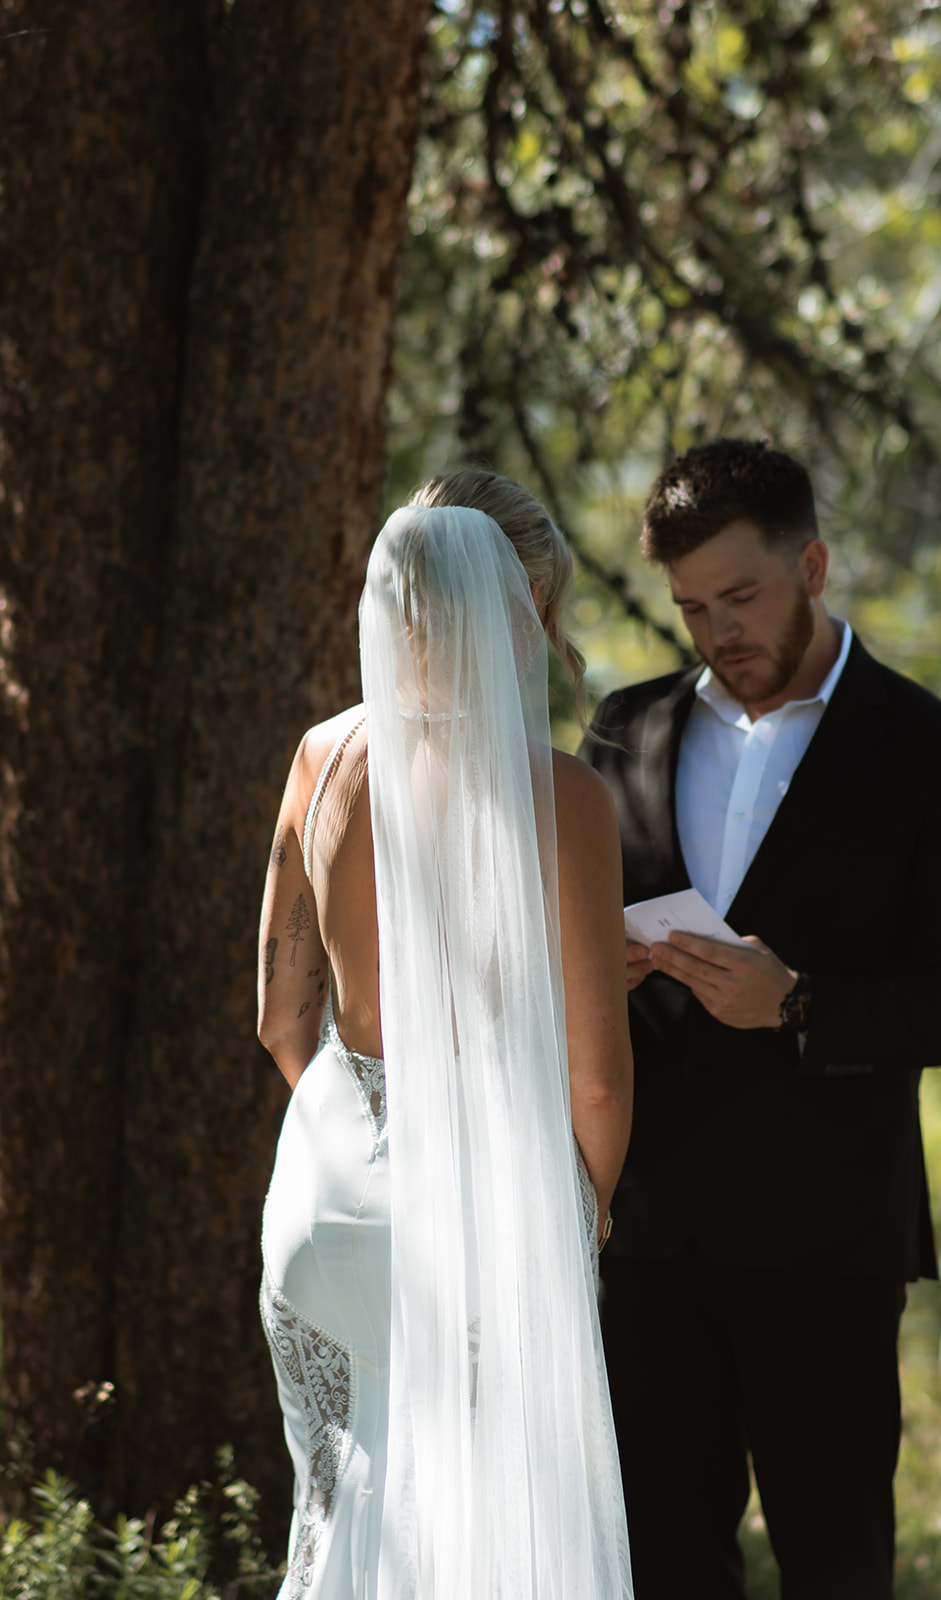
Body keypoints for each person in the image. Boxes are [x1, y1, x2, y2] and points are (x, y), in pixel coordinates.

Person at [579, 437, 941, 1600]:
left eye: (741, 595)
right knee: (661, 1565)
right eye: (691, 607)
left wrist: (798, 1004)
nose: (718, 630)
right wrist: (597, 967)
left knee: (834, 1565)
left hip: (825, 1246)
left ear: (812, 564)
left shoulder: (935, 751)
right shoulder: (620, 732)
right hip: (648, 1245)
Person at [256, 470, 634, 1600]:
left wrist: (359, 1124)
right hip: (486, 1200)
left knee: (337, 1509)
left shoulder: (322, 756)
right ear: (511, 608)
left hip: (323, 1193)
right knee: (495, 1541)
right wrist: (581, 1219)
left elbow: (281, 1013)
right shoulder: (559, 800)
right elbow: (598, 1079)